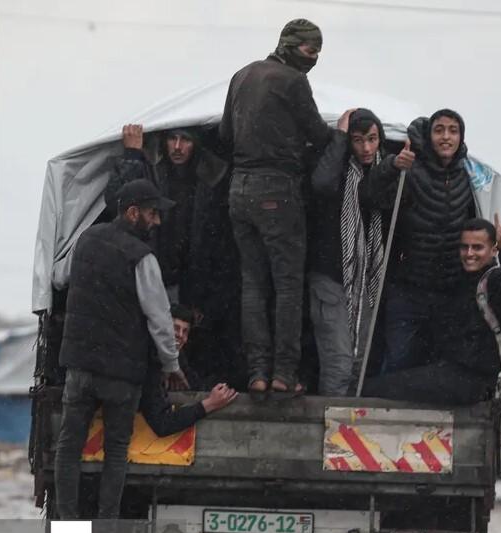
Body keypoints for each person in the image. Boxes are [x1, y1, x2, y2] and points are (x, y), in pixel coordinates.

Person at [55, 179, 186, 520]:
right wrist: (172, 365)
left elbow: (58, 278)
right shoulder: (142, 257)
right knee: (115, 454)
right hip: (120, 375)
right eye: (152, 213)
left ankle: (67, 531)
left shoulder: (86, 240)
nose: (156, 221)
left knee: (68, 450)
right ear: (132, 213)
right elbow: (159, 317)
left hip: (79, 368)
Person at [221, 19, 331, 394]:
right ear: (290, 45)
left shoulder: (241, 76)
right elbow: (317, 133)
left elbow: (224, 134)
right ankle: (284, 373)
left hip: (239, 189)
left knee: (252, 284)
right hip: (277, 190)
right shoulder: (294, 81)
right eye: (309, 50)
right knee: (287, 286)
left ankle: (257, 373)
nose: (313, 58)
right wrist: (340, 134)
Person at [362, 214, 501, 405]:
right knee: (379, 384)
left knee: (373, 390)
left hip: (471, 381)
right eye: (464, 247)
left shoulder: (495, 283)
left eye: (477, 247)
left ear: (493, 250)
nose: (469, 253)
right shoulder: (459, 283)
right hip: (447, 374)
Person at [307, 108, 414, 394]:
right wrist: (339, 137)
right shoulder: (337, 169)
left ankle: (345, 432)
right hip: (329, 279)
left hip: (368, 282)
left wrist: (394, 167)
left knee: (360, 364)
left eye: (372, 139)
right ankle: (333, 430)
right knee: (340, 363)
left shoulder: (391, 174)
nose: (366, 148)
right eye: (358, 140)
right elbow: (321, 184)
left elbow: (375, 195)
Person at [364, 109, 478, 372]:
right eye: (439, 130)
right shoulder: (410, 170)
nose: (446, 137)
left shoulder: (468, 176)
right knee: (398, 360)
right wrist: (391, 167)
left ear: (461, 137)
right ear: (429, 135)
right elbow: (372, 198)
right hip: (408, 288)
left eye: (453, 131)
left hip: (449, 290)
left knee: (437, 364)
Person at [103, 124, 232, 308]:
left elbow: (218, 239)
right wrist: (132, 156)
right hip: (151, 273)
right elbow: (116, 202)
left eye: (185, 139)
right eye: (173, 138)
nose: (177, 147)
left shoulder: (212, 177)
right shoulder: (149, 167)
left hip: (196, 282)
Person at [140, 304, 239, 436]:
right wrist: (209, 404)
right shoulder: (146, 361)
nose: (180, 335)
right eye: (175, 328)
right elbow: (161, 424)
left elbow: (193, 385)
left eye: (185, 331)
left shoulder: (177, 355)